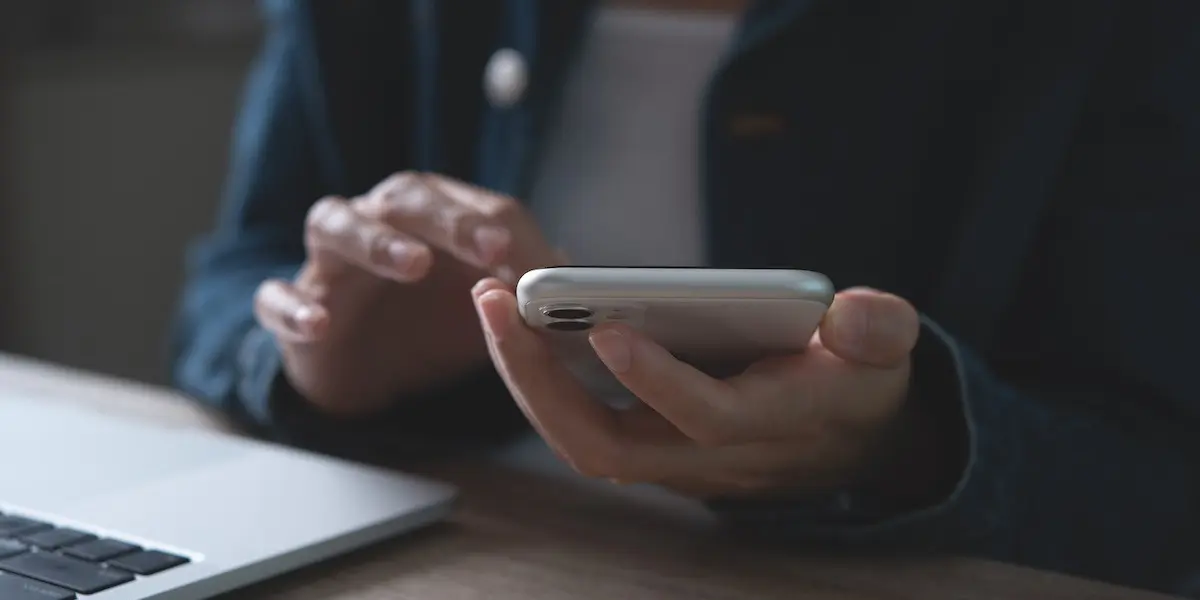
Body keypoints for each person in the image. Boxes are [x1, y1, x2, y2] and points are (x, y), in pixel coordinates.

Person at [170, 0, 1200, 595]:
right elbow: (230, 281)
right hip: (461, 562)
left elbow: (1163, 480)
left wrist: (911, 442)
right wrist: (313, 354)